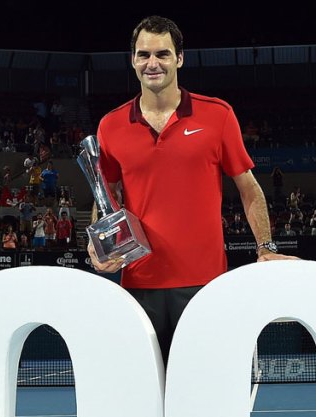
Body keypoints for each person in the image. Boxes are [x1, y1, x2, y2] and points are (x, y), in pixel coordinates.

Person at [88, 16, 294, 366]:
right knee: (147, 399)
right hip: (139, 284)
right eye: (143, 55)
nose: (152, 63)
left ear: (179, 59)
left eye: (163, 54)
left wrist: (266, 247)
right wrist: (99, 244)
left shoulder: (217, 115)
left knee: (202, 398)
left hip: (205, 284)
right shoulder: (111, 125)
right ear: (133, 60)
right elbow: (104, 197)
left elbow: (249, 189)